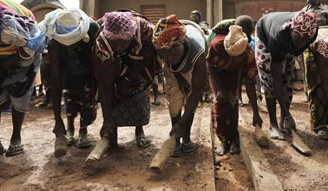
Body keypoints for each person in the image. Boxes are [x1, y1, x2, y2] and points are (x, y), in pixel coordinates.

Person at [91, 10, 159, 157]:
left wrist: (129, 78)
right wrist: (106, 120)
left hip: (139, 63)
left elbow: (147, 57)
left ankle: (139, 129)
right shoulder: (102, 47)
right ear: (109, 37)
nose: (120, 46)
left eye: (124, 42)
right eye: (116, 42)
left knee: (139, 94)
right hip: (113, 67)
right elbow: (104, 85)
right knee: (113, 96)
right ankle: (111, 132)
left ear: (131, 35)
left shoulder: (144, 31)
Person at [38, 8, 99, 157]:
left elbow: (96, 64)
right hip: (67, 74)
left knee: (87, 101)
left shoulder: (92, 30)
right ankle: (69, 128)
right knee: (69, 99)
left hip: (87, 74)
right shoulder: (53, 44)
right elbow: (55, 80)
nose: (68, 45)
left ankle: (83, 130)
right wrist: (57, 121)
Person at [255, 11, 318, 140]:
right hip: (265, 35)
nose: (301, 44)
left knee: (288, 77)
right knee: (269, 79)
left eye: (304, 40)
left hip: (286, 44)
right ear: (291, 31)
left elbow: (284, 80)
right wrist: (289, 113)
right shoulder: (277, 37)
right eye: (298, 39)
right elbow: (276, 79)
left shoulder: (312, 32)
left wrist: (286, 114)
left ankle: (284, 121)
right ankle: (273, 124)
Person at [0, 0, 42, 157]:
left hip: (25, 52)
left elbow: (27, 51)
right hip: (0, 52)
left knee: (18, 90)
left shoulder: (6, 26)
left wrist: (2, 65)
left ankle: (16, 139)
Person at [152, 15, 207, 156]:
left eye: (172, 53)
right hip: (173, 71)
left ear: (180, 44)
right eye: (164, 55)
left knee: (190, 100)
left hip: (192, 68)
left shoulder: (198, 53)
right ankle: (175, 140)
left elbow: (196, 92)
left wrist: (182, 124)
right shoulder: (164, 50)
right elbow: (170, 63)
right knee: (174, 101)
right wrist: (178, 77)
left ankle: (186, 136)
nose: (169, 57)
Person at [207, 23, 263, 155]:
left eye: (238, 57)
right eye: (232, 56)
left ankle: (233, 138)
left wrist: (256, 113)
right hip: (217, 73)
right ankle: (223, 140)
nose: (235, 58)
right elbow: (209, 65)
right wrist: (220, 88)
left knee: (233, 101)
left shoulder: (248, 53)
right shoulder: (216, 45)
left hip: (234, 72)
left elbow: (250, 85)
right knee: (221, 102)